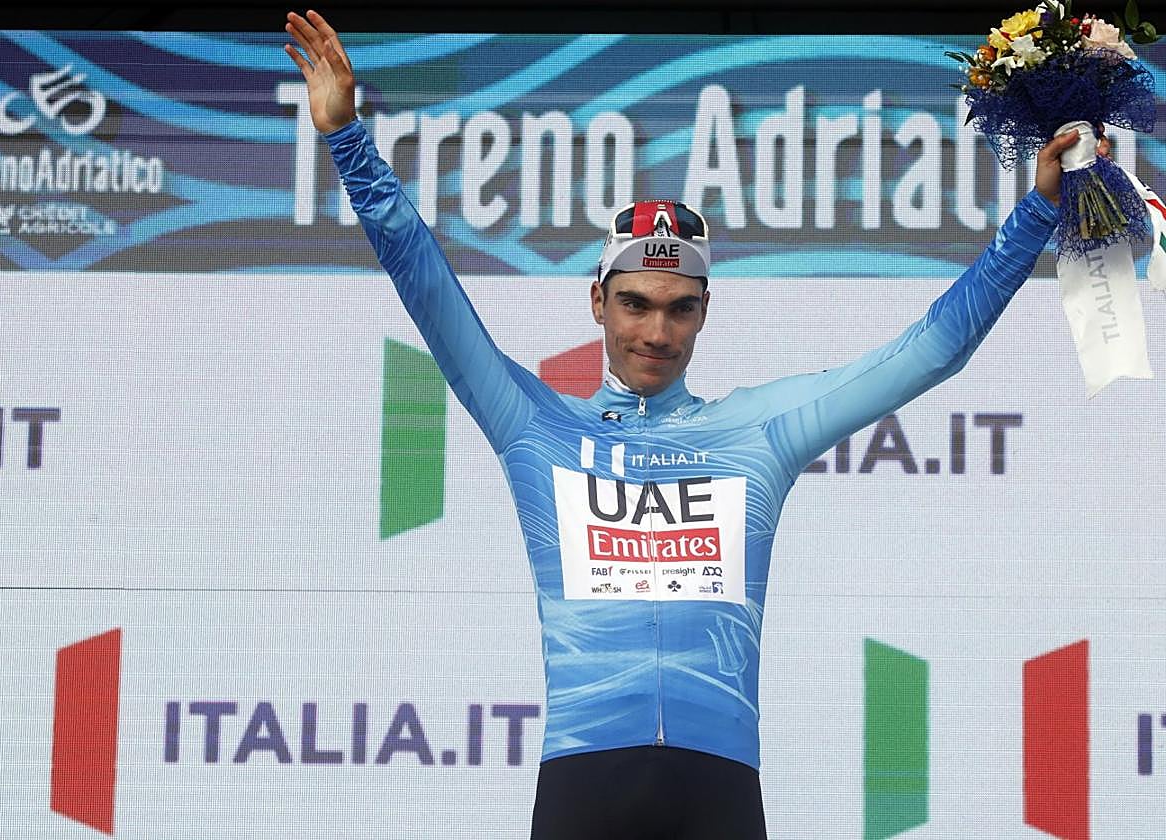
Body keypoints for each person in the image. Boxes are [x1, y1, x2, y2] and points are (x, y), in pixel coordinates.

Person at [284, 10, 1090, 838]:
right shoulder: (536, 425)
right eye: (634, 304)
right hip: (582, 785)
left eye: (679, 309)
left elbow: (931, 351)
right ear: (597, 301)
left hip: (719, 790)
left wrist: (1033, 215)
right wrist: (348, 140)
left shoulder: (755, 433)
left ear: (705, 311)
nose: (655, 333)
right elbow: (428, 291)